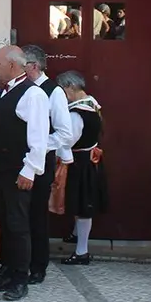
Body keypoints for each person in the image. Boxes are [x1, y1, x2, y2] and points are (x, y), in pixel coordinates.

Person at [0, 45, 49, 302]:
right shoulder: (1, 92)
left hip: (17, 170)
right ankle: (8, 272)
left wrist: (29, 170)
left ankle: (21, 278)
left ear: (12, 65)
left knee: (19, 224)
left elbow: (38, 136)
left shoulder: (33, 95)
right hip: (0, 168)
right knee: (6, 222)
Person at [18, 44, 75, 284]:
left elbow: (65, 133)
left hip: (41, 161)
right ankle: (16, 263)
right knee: (18, 215)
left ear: (32, 66)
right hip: (20, 161)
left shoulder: (54, 92)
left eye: (21, 64)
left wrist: (41, 145)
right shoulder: (21, 89)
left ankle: (38, 266)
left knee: (37, 216)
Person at [53, 71, 108, 265]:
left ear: (70, 87)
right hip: (89, 159)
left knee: (83, 205)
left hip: (80, 161)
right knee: (83, 202)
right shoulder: (93, 105)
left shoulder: (77, 113)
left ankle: (81, 251)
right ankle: (76, 235)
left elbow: (68, 140)